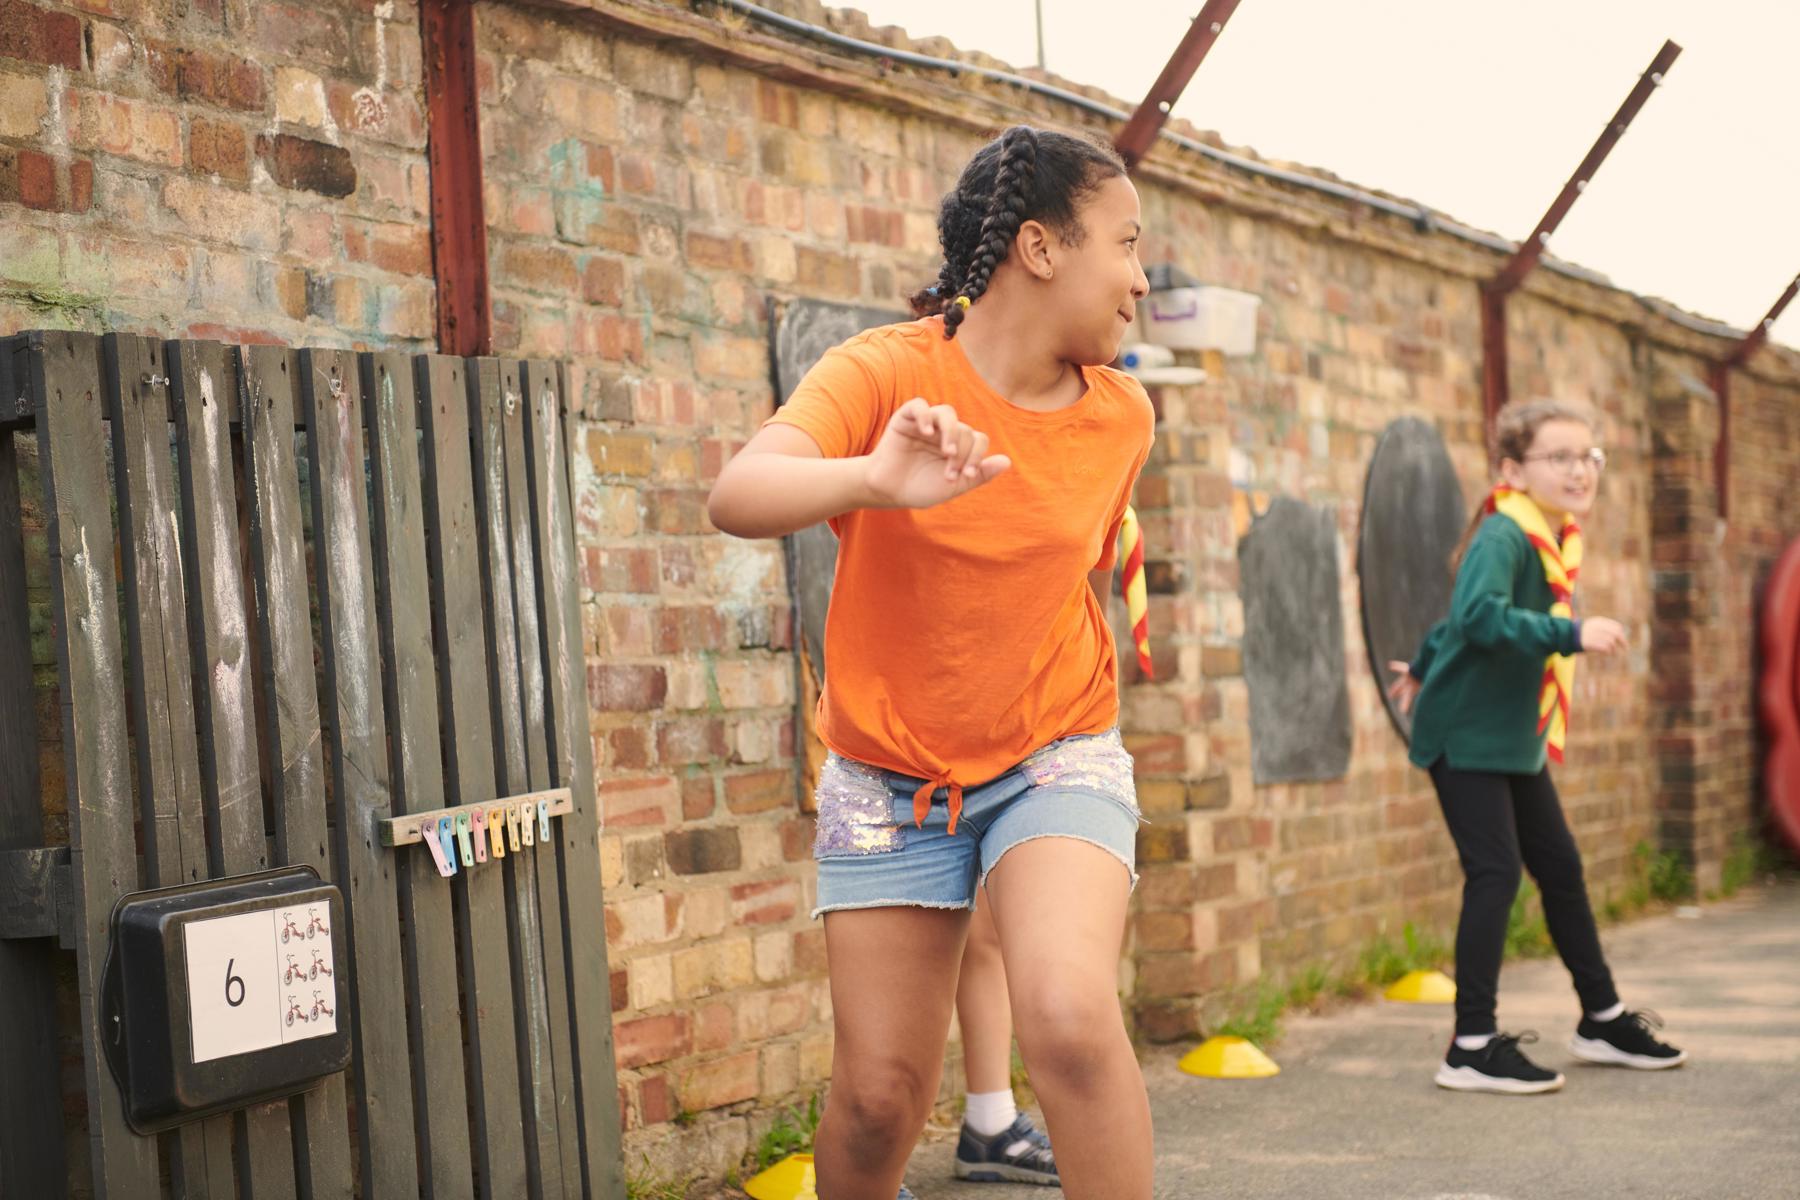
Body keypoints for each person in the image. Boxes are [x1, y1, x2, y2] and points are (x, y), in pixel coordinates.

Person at [708, 123, 1155, 1198]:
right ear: (1040, 249)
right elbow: (737, 496)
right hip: (886, 778)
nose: (1141, 281)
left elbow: (1070, 590)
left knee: (1068, 1016)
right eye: (1128, 245)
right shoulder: (884, 370)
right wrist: (872, 479)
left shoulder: (1122, 416)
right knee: (877, 1100)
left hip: (1057, 752)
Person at [1387, 398, 1687, 1095]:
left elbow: (1452, 622)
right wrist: (1570, 634)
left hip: (1509, 736)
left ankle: (1603, 1018)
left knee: (1561, 868)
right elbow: (1479, 616)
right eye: (1560, 457)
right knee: (1496, 874)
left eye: (1588, 457)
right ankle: (1469, 1044)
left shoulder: (1547, 534)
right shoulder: (1507, 534)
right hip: (1466, 735)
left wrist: (1426, 662)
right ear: (1513, 470)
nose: (1579, 470)